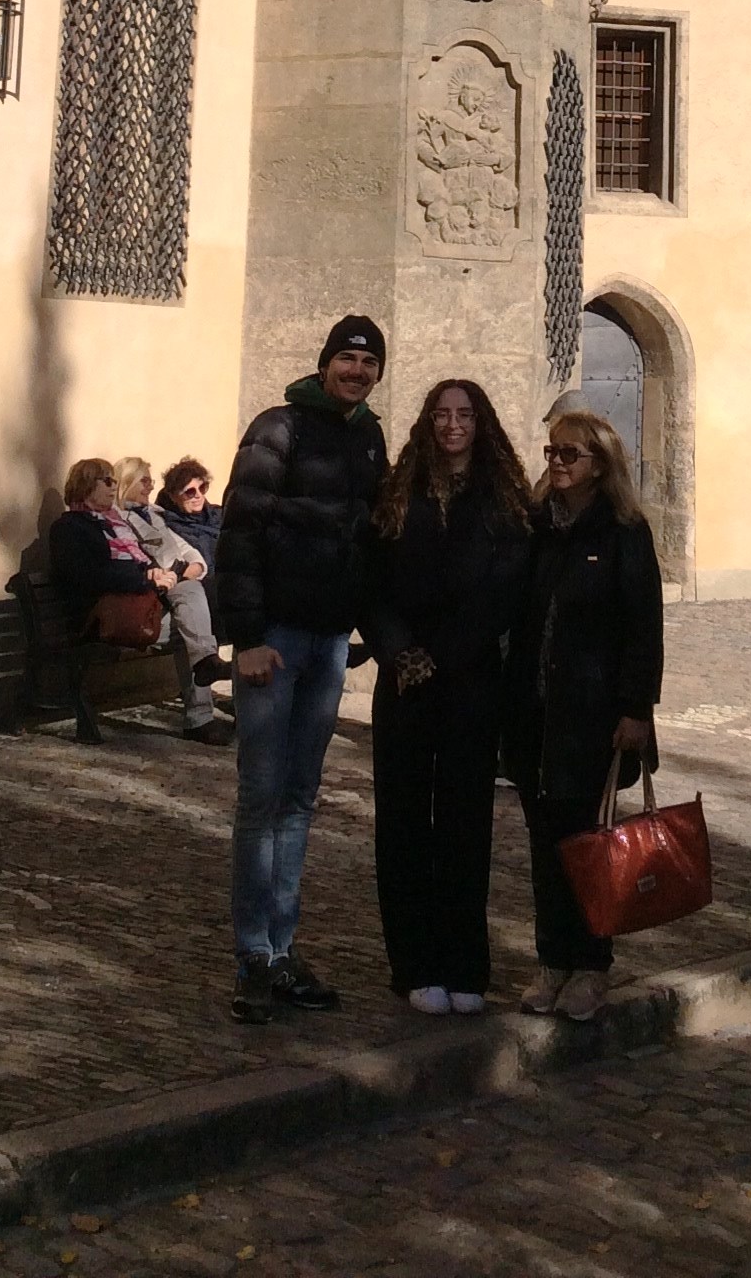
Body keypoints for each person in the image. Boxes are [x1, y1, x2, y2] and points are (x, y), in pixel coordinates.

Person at [213, 313, 390, 1021]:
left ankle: (283, 950)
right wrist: (246, 637)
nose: (356, 371)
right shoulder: (277, 428)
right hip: (275, 641)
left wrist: (375, 631)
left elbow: (374, 539)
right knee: (261, 798)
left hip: (328, 645)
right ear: (324, 365)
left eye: (369, 363)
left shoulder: (370, 438)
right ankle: (253, 956)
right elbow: (240, 532)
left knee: (299, 798)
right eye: (347, 359)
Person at [362, 379, 530, 1016]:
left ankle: (464, 964)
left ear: (480, 424)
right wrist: (399, 650)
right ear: (428, 423)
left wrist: (446, 653)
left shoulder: (503, 501)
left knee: (464, 824)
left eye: (464, 415)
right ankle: (414, 963)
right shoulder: (399, 493)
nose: (453, 425)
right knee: (403, 823)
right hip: (404, 679)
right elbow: (371, 582)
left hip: (469, 679)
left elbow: (505, 592)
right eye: (442, 414)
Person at [503, 393, 664, 1024]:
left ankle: (591, 965)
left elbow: (643, 627)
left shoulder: (623, 532)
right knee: (545, 846)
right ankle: (553, 961)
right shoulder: (537, 526)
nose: (557, 462)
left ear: (600, 462)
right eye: (552, 452)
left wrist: (636, 708)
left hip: (592, 719)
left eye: (569, 453)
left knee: (589, 845)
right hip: (535, 715)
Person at [47, 458, 181, 743]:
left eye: (114, 481)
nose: (113, 487)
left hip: (131, 605)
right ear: (86, 486)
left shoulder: (113, 523)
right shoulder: (69, 528)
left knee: (192, 600)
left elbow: (132, 563)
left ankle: (202, 707)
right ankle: (201, 711)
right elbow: (91, 575)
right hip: (96, 622)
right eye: (107, 481)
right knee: (192, 622)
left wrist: (152, 571)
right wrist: (145, 579)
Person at [113, 456, 229, 745]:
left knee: (225, 613)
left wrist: (194, 566)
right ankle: (201, 709)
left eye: (150, 481)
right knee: (193, 620)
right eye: (144, 481)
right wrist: (177, 571)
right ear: (126, 483)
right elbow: (146, 560)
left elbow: (186, 550)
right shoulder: (118, 519)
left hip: (181, 590)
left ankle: (217, 708)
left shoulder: (154, 514)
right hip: (151, 600)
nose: (150, 486)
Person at [157, 455, 222, 577]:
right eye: (190, 492)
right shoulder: (169, 528)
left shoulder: (220, 514)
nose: (198, 495)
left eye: (202, 488)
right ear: (173, 496)